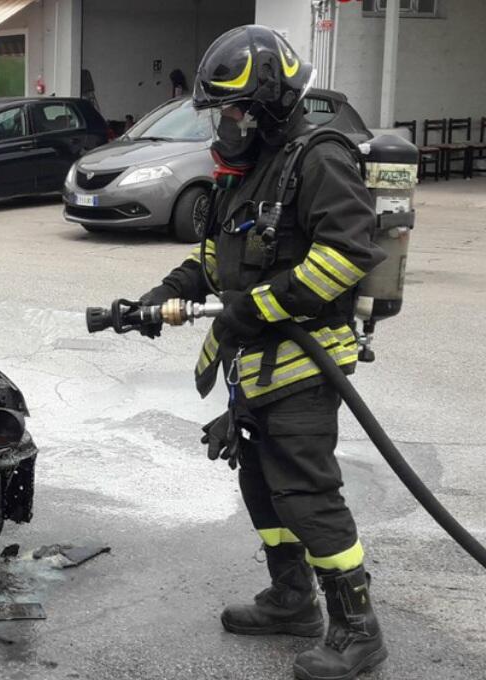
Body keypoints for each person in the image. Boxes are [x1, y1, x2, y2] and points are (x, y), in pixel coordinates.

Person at [135, 26, 388, 680]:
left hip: (307, 365)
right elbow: (221, 254)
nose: (228, 122)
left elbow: (349, 257)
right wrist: (168, 291)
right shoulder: (250, 167)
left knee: (307, 495)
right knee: (260, 484)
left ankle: (359, 630)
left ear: (274, 101)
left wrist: (262, 305)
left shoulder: (320, 157)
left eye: (238, 109)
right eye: (222, 111)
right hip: (255, 367)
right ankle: (292, 598)